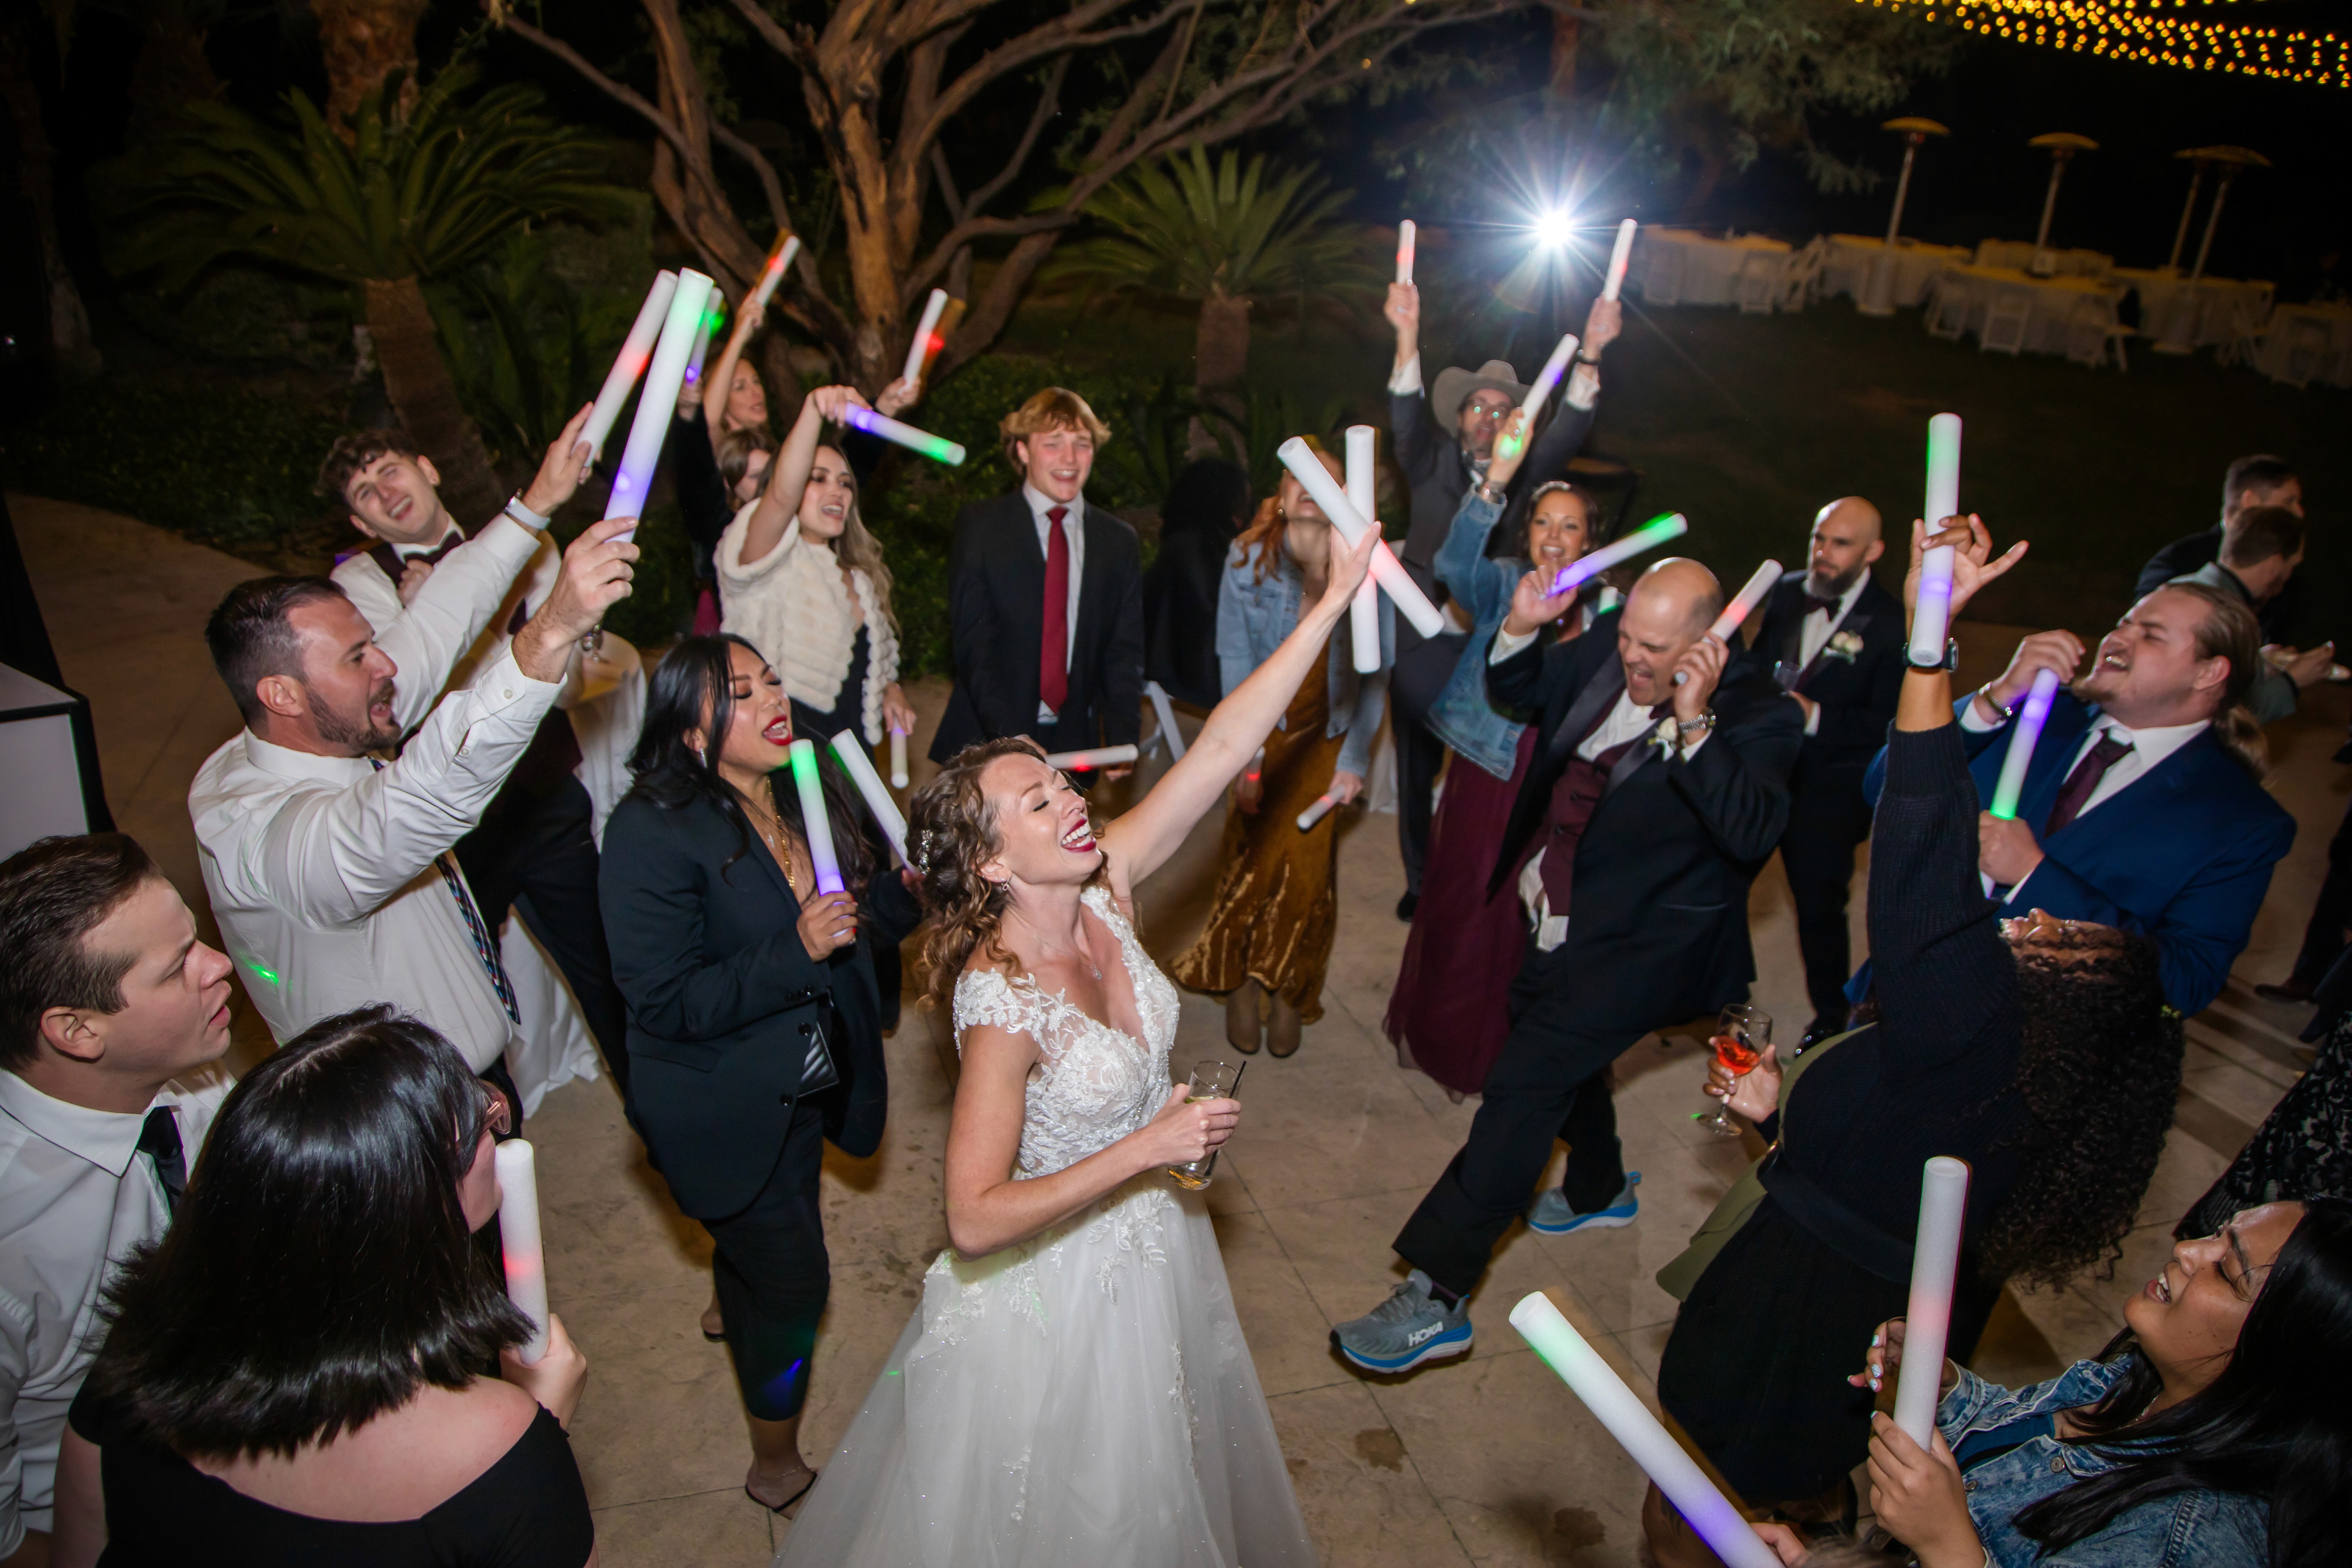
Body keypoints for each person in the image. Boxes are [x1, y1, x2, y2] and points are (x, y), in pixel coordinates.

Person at [770, 525, 1379, 1567]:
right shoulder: (1001, 1001)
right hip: (1052, 1294)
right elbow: (971, 1218)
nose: (1072, 800)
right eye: (1038, 800)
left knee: (1157, 1485)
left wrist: (1329, 603)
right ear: (993, 862)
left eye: (1061, 782)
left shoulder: (1108, 886)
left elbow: (1221, 749)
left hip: (1151, 1246)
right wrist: (1149, 1146)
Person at [1650, 516, 2185, 1541]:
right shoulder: (2020, 1076)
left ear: (2072, 1000)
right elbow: (1885, 1159)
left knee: (1696, 1512)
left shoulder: (1975, 1030)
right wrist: (1779, 1117)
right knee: (1784, 1484)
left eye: (2055, 934)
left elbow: (1917, 841)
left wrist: (1928, 646)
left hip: (1790, 1331)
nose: (2027, 919)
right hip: (1840, 1323)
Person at [1332, 551, 1803, 1374]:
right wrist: (1518, 628)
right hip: (1549, 911)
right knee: (1553, 1053)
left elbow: (1752, 831)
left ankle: (1439, 1296)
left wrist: (1694, 721)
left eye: (1656, 649)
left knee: (1522, 1090)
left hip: (1641, 949)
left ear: (1708, 644)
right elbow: (1520, 690)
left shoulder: (1763, 712)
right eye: (1629, 640)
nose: (1633, 658)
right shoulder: (1614, 642)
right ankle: (1597, 1186)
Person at [46, 1006, 594, 1567]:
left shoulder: (137, 1354)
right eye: (481, 1124)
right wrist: (542, 1425)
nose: (496, 1130)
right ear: (418, 1208)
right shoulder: (495, 1451)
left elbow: (78, 1554)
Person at [597, 635, 922, 1516]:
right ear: (688, 730)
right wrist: (794, 948)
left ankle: (735, 1269)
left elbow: (855, 924)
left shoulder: (803, 783)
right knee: (796, 1286)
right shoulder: (650, 831)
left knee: (774, 1218)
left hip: (807, 1079)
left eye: (771, 679)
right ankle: (774, 1461)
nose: (772, 698)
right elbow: (664, 1000)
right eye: (739, 692)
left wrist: (909, 891)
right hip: (725, 1096)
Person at [188, 516, 636, 1120]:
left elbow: (435, 627)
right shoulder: (264, 834)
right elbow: (419, 796)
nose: (387, 666)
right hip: (409, 1120)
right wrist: (552, 629)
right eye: (358, 657)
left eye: (373, 643)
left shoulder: (310, 733)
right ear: (282, 695)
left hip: (462, 1082)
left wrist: (531, 510)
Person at [320, 412, 633, 1097]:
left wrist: (464, 613)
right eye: (366, 492)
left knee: (607, 971)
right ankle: (483, 1129)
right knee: (462, 1002)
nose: (386, 491)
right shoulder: (359, 590)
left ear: (428, 469)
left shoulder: (531, 544)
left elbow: (568, 687)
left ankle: (656, 1110)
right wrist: (432, 618)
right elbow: (394, 706)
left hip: (543, 796)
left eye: (391, 470)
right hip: (453, 834)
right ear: (363, 523)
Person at [1823, 1198, 2352, 1568]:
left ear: (2281, 1353)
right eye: (2217, 1233)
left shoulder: (2195, 1539)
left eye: (2228, 1269)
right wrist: (1947, 1389)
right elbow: (2018, 1445)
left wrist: (1948, 1548)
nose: (2189, 1249)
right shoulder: (2134, 1380)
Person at [0, 834, 234, 1564]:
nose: (219, 964)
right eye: (178, 966)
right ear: (77, 1031)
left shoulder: (192, 1073)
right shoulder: (14, 1249)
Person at [1911, 578, 2296, 1018]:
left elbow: (2186, 981)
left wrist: (2033, 876)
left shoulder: (2240, 821)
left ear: (2208, 673)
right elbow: (1884, 786)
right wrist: (1995, 698)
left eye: (2151, 635)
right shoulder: (2034, 709)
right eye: (2124, 622)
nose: (2118, 637)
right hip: (1903, 989)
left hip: (2033, 1039)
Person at [1383, 284, 1623, 918]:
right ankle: (1419, 878)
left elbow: (1570, 426)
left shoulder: (1526, 472)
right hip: (1424, 632)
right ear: (1459, 416)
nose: (1488, 419)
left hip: (1494, 632)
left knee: (1481, 766)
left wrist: (1592, 352)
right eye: (1478, 407)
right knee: (1416, 763)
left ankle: (1470, 878)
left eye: (1502, 410)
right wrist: (1406, 336)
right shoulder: (1429, 458)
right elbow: (1403, 415)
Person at [1384, 409, 1603, 1099]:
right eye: (1544, 523)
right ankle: (1452, 1045)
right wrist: (1495, 484)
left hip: (1563, 779)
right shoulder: (1504, 581)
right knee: (1468, 905)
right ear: (1527, 531)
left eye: (1571, 526)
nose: (1555, 537)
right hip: (1490, 768)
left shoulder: (1605, 609)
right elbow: (1453, 565)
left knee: (1530, 921)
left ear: (1591, 539)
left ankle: (1512, 1048)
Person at [1170, 442, 1392, 1058]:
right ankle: (1242, 980)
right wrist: (1244, 758)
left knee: (1306, 875)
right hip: (1263, 728)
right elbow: (1236, 661)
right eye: (1297, 477)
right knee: (1250, 861)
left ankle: (1290, 985)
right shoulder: (1247, 558)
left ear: (1345, 498)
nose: (1308, 487)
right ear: (1282, 493)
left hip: (1329, 733)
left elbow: (1376, 677)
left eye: (1325, 480)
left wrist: (1354, 763)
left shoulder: (1371, 566)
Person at [1744, 498, 1905, 1046]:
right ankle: (1710, 992)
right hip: (1765, 771)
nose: (1823, 553)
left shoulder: (1892, 623)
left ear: (1873, 552)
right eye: (1819, 538)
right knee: (1721, 882)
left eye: (1840, 544)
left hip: (1830, 792)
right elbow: (1760, 663)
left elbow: (1889, 723)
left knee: (1818, 908)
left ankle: (1832, 1015)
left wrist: (1813, 715)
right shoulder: (1789, 590)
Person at [929, 387, 1144, 773]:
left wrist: (1122, 735)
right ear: (1023, 450)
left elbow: (1123, 650)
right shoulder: (982, 527)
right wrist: (1010, 737)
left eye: (1082, 444)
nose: (1070, 458)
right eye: (1053, 443)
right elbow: (974, 647)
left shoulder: (1118, 541)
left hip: (1074, 748)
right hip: (986, 743)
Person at [716, 384, 918, 754]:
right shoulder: (764, 556)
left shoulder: (860, 577)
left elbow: (871, 667)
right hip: (781, 756)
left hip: (851, 762)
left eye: (845, 483)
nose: (838, 492)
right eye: (818, 478)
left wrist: (889, 689)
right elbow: (781, 498)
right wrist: (812, 409)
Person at [2168, 503, 2330, 724]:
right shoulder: (2230, 615)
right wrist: (2293, 680)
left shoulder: (2177, 586)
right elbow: (2241, 711)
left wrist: (2258, 661)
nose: (2290, 576)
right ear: (2274, 566)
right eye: (2293, 566)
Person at [2133, 454, 2303, 644]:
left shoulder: (2286, 566)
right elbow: (2144, 635)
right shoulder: (2177, 561)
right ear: (2251, 501)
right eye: (2288, 502)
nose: (2299, 513)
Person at [1143, 456, 1253, 711]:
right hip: (1195, 681)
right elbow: (1214, 618)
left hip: (1182, 676)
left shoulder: (1187, 544)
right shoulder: (1194, 549)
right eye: (1239, 506)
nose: (1243, 518)